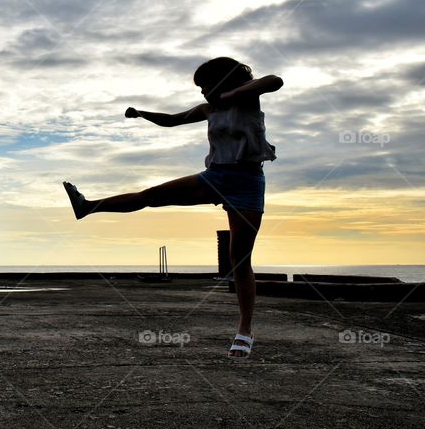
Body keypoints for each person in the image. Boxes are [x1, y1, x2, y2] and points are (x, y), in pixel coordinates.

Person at [63, 57, 283, 361]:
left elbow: (275, 80)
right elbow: (172, 119)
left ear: (224, 81)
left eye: (206, 86)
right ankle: (87, 206)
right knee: (150, 195)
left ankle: (245, 330)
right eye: (200, 88)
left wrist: (231, 95)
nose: (203, 93)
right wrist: (141, 113)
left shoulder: (248, 100)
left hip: (247, 182)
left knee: (240, 259)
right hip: (215, 176)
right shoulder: (208, 110)